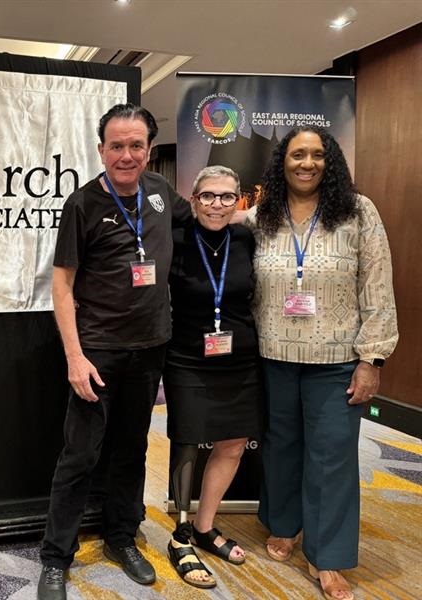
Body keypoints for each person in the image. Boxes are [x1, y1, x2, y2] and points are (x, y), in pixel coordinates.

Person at [37, 103, 192, 600]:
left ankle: (121, 537)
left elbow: (211, 216)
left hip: (150, 351)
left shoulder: (163, 194)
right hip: (98, 352)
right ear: (101, 149)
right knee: (80, 455)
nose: (127, 155)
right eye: (117, 146)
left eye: (136, 146)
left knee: (133, 449)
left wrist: (259, 214)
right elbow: (61, 287)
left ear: (149, 149)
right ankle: (56, 557)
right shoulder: (82, 204)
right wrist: (75, 358)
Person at [247, 125, 398, 600]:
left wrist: (372, 358)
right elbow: (219, 236)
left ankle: (328, 557)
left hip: (337, 357)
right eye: (297, 154)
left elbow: (377, 285)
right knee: (281, 446)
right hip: (273, 354)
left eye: (316, 155)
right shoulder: (262, 216)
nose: (306, 163)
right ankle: (286, 525)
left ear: (329, 161)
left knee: (331, 456)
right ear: (282, 162)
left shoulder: (358, 211)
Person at [164, 165, 263, 589]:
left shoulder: (248, 238)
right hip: (187, 356)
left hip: (241, 358)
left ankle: (204, 527)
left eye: (226, 197)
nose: (216, 204)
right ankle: (180, 535)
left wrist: (248, 216)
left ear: (239, 200)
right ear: (194, 200)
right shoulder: (175, 239)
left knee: (233, 444)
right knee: (187, 440)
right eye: (207, 196)